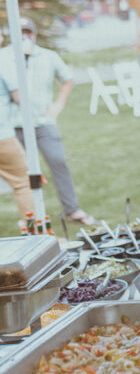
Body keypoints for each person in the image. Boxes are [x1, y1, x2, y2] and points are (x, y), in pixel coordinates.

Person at [0, 18, 94, 225]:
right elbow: (16, 96)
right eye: (20, 32)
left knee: (58, 162)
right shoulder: (4, 57)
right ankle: (31, 220)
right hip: (12, 126)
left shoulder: (48, 56)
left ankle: (72, 210)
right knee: (23, 177)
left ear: (34, 33)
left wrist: (58, 105)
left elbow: (68, 79)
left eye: (28, 31)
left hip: (42, 123)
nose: (25, 36)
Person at [0, 74, 33, 229]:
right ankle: (35, 232)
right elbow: (19, 98)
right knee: (23, 183)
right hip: (3, 138)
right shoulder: (3, 66)